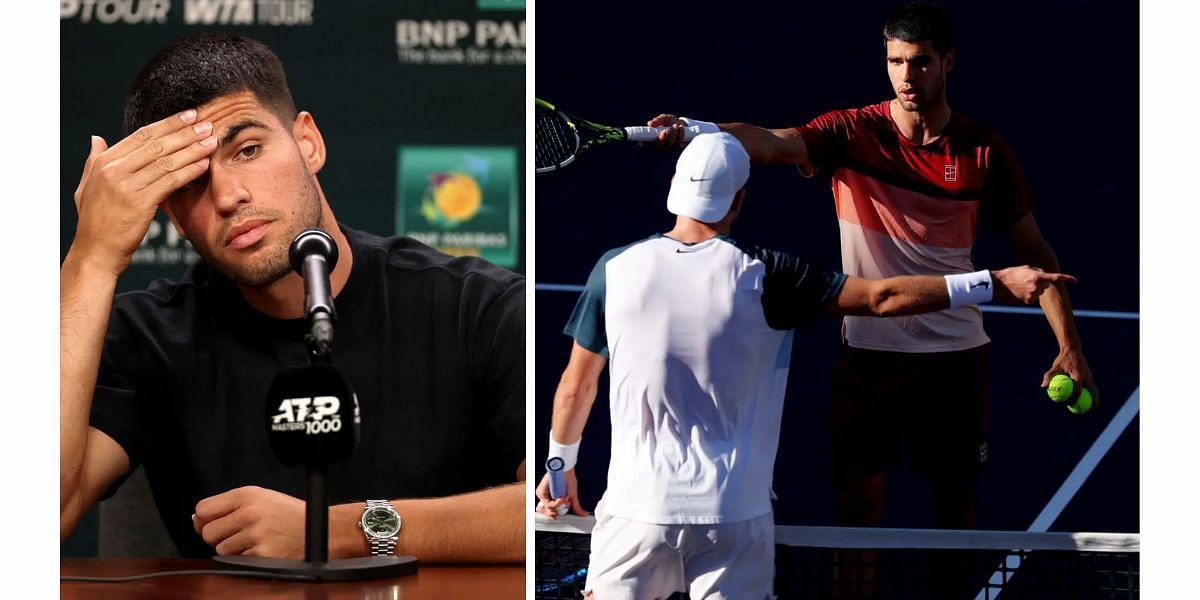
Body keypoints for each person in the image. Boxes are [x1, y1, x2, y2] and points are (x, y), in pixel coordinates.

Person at [534, 133, 1072, 600]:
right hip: (733, 518)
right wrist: (991, 281)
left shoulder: (614, 269)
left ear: (675, 191)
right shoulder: (768, 275)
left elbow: (575, 388)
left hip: (633, 515)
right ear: (739, 199)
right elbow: (883, 297)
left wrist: (559, 472)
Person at [59, 34, 524, 562]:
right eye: (190, 182)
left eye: (248, 150)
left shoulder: (477, 308)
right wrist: (91, 258)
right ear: (168, 214)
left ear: (308, 142)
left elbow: (542, 512)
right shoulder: (148, 338)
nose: (228, 195)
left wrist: (337, 531)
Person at [649, 1, 1095, 536]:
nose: (908, 76)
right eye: (897, 61)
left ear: (948, 61)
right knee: (857, 513)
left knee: (957, 518)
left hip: (957, 363)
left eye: (922, 61)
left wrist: (1068, 344)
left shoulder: (984, 153)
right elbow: (773, 142)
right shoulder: (852, 133)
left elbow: (1036, 256)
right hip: (869, 360)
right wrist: (700, 130)